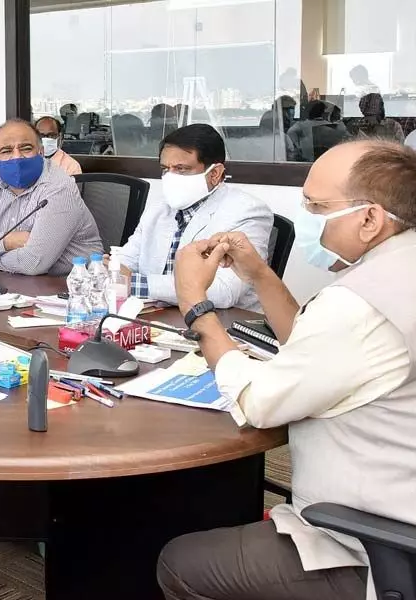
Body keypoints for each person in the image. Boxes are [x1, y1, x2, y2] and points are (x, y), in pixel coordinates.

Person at [160, 140, 416, 600]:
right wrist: (258, 274)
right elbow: (312, 341)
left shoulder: (359, 303)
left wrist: (195, 306)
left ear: (370, 218)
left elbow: (259, 402)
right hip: (398, 498)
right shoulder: (399, 265)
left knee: (180, 563)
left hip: (375, 544)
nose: (304, 212)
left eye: (316, 205)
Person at [117, 124, 272, 311]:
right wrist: (109, 269)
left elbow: (224, 292)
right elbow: (125, 262)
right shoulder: (159, 208)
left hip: (223, 323)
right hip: (159, 316)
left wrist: (137, 284)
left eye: (181, 169)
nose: (170, 177)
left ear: (215, 174)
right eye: (166, 169)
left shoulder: (248, 212)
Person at [0, 119, 102, 276]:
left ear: (40, 152)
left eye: (26, 149)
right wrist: (8, 242)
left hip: (66, 285)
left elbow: (32, 263)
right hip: (6, 282)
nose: (16, 157)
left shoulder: (60, 187)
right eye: (6, 151)